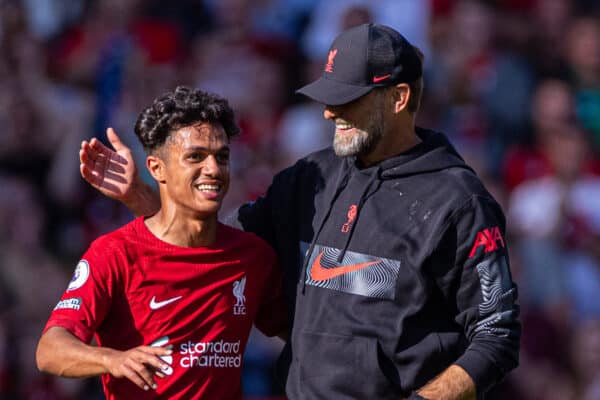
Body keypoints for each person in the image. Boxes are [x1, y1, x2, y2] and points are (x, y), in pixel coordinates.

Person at [80, 24, 520, 399]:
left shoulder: (459, 202)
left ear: (399, 98)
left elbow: (496, 335)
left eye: (347, 100)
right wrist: (144, 197)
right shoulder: (311, 177)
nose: (329, 113)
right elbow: (219, 250)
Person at [36, 86, 286, 400]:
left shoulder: (252, 257)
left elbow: (297, 335)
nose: (213, 169)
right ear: (157, 168)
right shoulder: (115, 253)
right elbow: (50, 350)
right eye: (195, 156)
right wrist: (113, 359)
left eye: (221, 156)